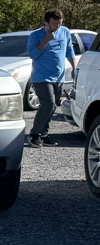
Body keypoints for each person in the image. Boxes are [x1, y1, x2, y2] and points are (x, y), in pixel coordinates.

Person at [25, 9, 78, 147]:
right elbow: (33, 55)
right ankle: (34, 135)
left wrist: (74, 67)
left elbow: (69, 49)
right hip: (41, 77)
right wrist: (46, 40)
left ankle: (44, 135)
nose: (58, 27)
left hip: (59, 77)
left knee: (53, 107)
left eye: (60, 23)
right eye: (55, 24)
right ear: (47, 23)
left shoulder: (65, 31)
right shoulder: (36, 35)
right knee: (49, 104)